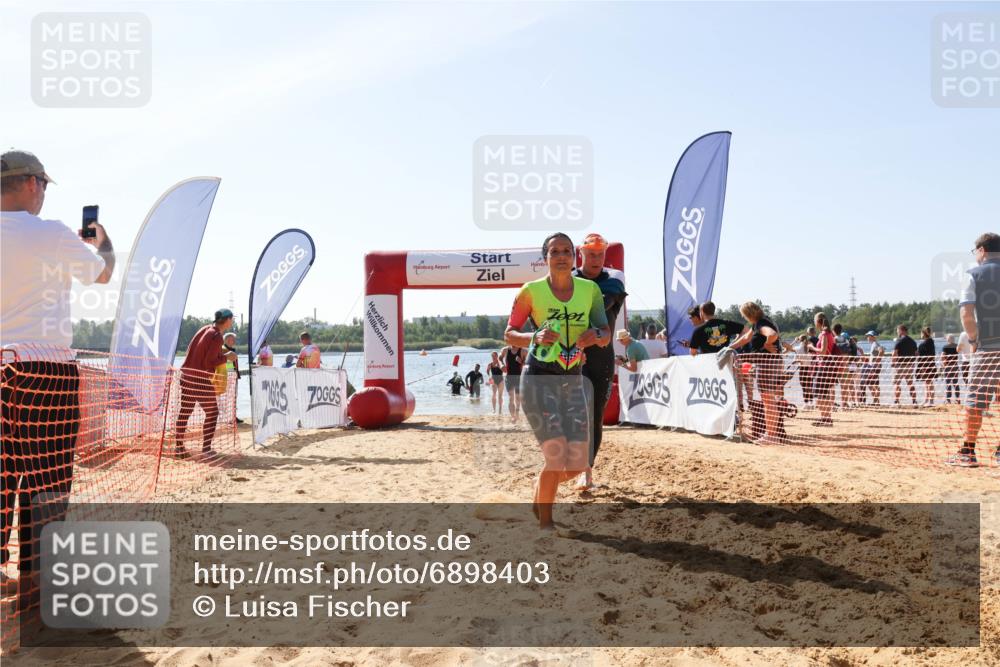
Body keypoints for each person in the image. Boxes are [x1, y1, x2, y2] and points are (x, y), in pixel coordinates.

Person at [1, 150, 115, 603]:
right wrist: (102, 241)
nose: (44, 194)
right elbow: (102, 274)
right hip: (43, 370)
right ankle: (37, 579)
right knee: (46, 475)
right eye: (44, 185)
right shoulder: (49, 233)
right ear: (32, 183)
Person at [505, 232, 610, 529]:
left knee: (577, 465)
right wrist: (533, 336)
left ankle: (541, 492)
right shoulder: (531, 291)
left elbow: (605, 333)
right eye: (555, 251)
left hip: (573, 380)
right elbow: (509, 334)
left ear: (574, 257)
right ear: (545, 258)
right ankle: (546, 524)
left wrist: (596, 335)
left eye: (566, 251)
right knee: (555, 457)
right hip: (538, 379)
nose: (561, 256)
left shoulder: (590, 290)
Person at [572, 232, 627, 490]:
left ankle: (587, 471)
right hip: (572, 354)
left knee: (594, 416)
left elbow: (602, 307)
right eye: (591, 254)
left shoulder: (613, 281)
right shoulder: (568, 279)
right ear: (581, 254)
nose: (596, 259)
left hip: (601, 357)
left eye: (600, 254)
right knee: (579, 411)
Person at [948, 232, 1000, 467]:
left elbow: (966, 313)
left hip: (987, 347)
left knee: (975, 401)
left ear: (981, 250)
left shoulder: (973, 275)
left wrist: (973, 339)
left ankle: (967, 451)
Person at [175, 309, 237, 460]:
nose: (233, 321)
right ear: (227, 320)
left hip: (186, 375)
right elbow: (209, 362)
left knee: (185, 411)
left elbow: (196, 351)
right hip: (199, 378)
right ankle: (206, 449)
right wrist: (227, 357)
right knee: (213, 413)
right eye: (232, 319)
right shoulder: (217, 336)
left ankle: (179, 447)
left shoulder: (204, 329)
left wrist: (221, 354)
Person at [730, 302, 783, 443]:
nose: (744, 317)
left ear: (748, 314)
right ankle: (772, 434)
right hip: (771, 364)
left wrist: (767, 344)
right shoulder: (760, 323)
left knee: (768, 401)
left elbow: (772, 335)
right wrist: (730, 348)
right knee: (769, 400)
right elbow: (745, 338)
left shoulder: (760, 324)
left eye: (744, 315)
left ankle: (771, 435)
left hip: (767, 365)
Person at [807, 312, 836, 427]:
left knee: (819, 393)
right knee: (824, 393)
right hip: (828, 366)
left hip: (823, 366)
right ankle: (826, 418)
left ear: (818, 322)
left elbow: (823, 352)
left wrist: (812, 347)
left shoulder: (824, 334)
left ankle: (825, 418)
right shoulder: (830, 334)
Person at [891, 325, 918, 406]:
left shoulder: (899, 341)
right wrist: (913, 362)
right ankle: (914, 401)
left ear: (902, 331)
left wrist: (893, 363)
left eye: (898, 331)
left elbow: (894, 353)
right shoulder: (912, 341)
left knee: (897, 383)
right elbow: (916, 353)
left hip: (899, 365)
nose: (897, 332)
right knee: (910, 383)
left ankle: (896, 401)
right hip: (909, 365)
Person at [500, 344, 525, 422]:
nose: (512, 344)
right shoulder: (505, 350)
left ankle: (517, 413)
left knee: (517, 398)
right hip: (509, 377)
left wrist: (521, 362)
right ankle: (513, 416)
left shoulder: (523, 351)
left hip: (519, 377)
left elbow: (529, 364)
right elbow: (500, 358)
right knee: (511, 397)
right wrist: (502, 365)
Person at [859, 331, 884, 405]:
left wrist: (876, 362)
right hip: (874, 366)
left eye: (868, 336)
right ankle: (876, 401)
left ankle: (876, 401)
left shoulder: (875, 344)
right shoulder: (874, 344)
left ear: (872, 337)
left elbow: (881, 351)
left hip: (874, 367)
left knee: (872, 384)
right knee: (873, 384)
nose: (867, 338)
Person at [916, 326, 937, 406]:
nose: (920, 335)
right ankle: (927, 399)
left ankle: (930, 400)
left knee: (929, 383)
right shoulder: (931, 342)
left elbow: (920, 355)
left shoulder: (925, 343)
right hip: (930, 364)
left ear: (924, 333)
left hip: (926, 365)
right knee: (927, 383)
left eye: (921, 333)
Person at [941, 334, 960, 404]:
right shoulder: (957, 346)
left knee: (948, 383)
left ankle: (948, 399)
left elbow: (942, 356)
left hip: (948, 366)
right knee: (956, 383)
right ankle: (958, 399)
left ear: (948, 339)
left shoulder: (945, 347)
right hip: (955, 366)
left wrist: (943, 365)